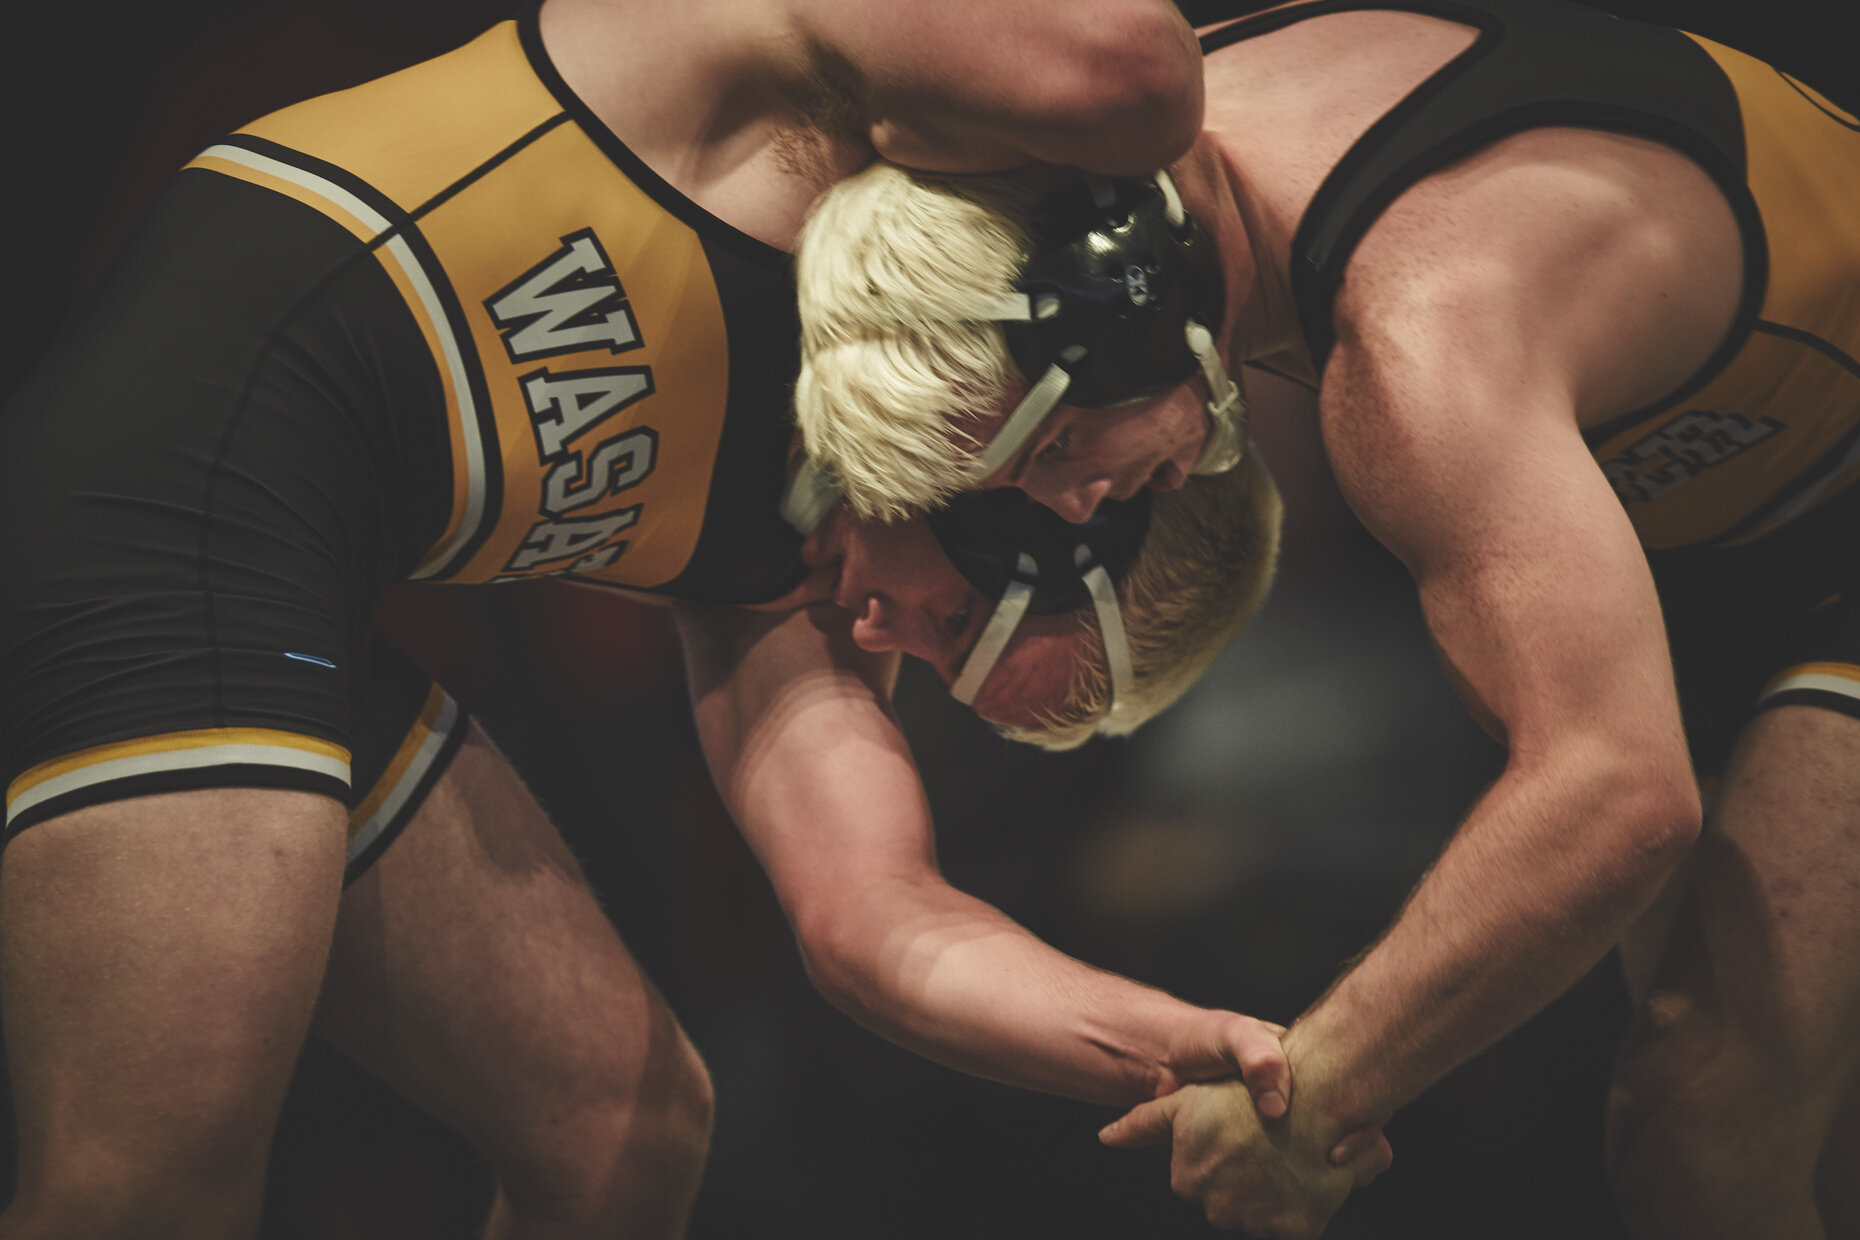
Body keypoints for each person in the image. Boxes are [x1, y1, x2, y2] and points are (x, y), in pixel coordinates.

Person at [0, 2, 1299, 1236]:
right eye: (958, 622)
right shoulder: (796, 132)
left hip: (286, 582)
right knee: (148, 1194)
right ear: (1045, 492)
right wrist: (1177, 339)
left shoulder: (792, 577)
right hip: (191, 468)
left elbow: (879, 926)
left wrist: (1168, 1046)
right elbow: (1127, 63)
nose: (894, 641)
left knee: (622, 1138)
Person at [791, 0, 1860, 1235]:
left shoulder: (1419, 339)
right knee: (1790, 1123)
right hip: (1745, 516)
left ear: (1119, 299)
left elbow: (1616, 794)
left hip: (1810, 511)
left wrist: (1318, 1088)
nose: (1079, 497)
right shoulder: (1129, 155)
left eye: (1068, 444)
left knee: (1701, 1120)